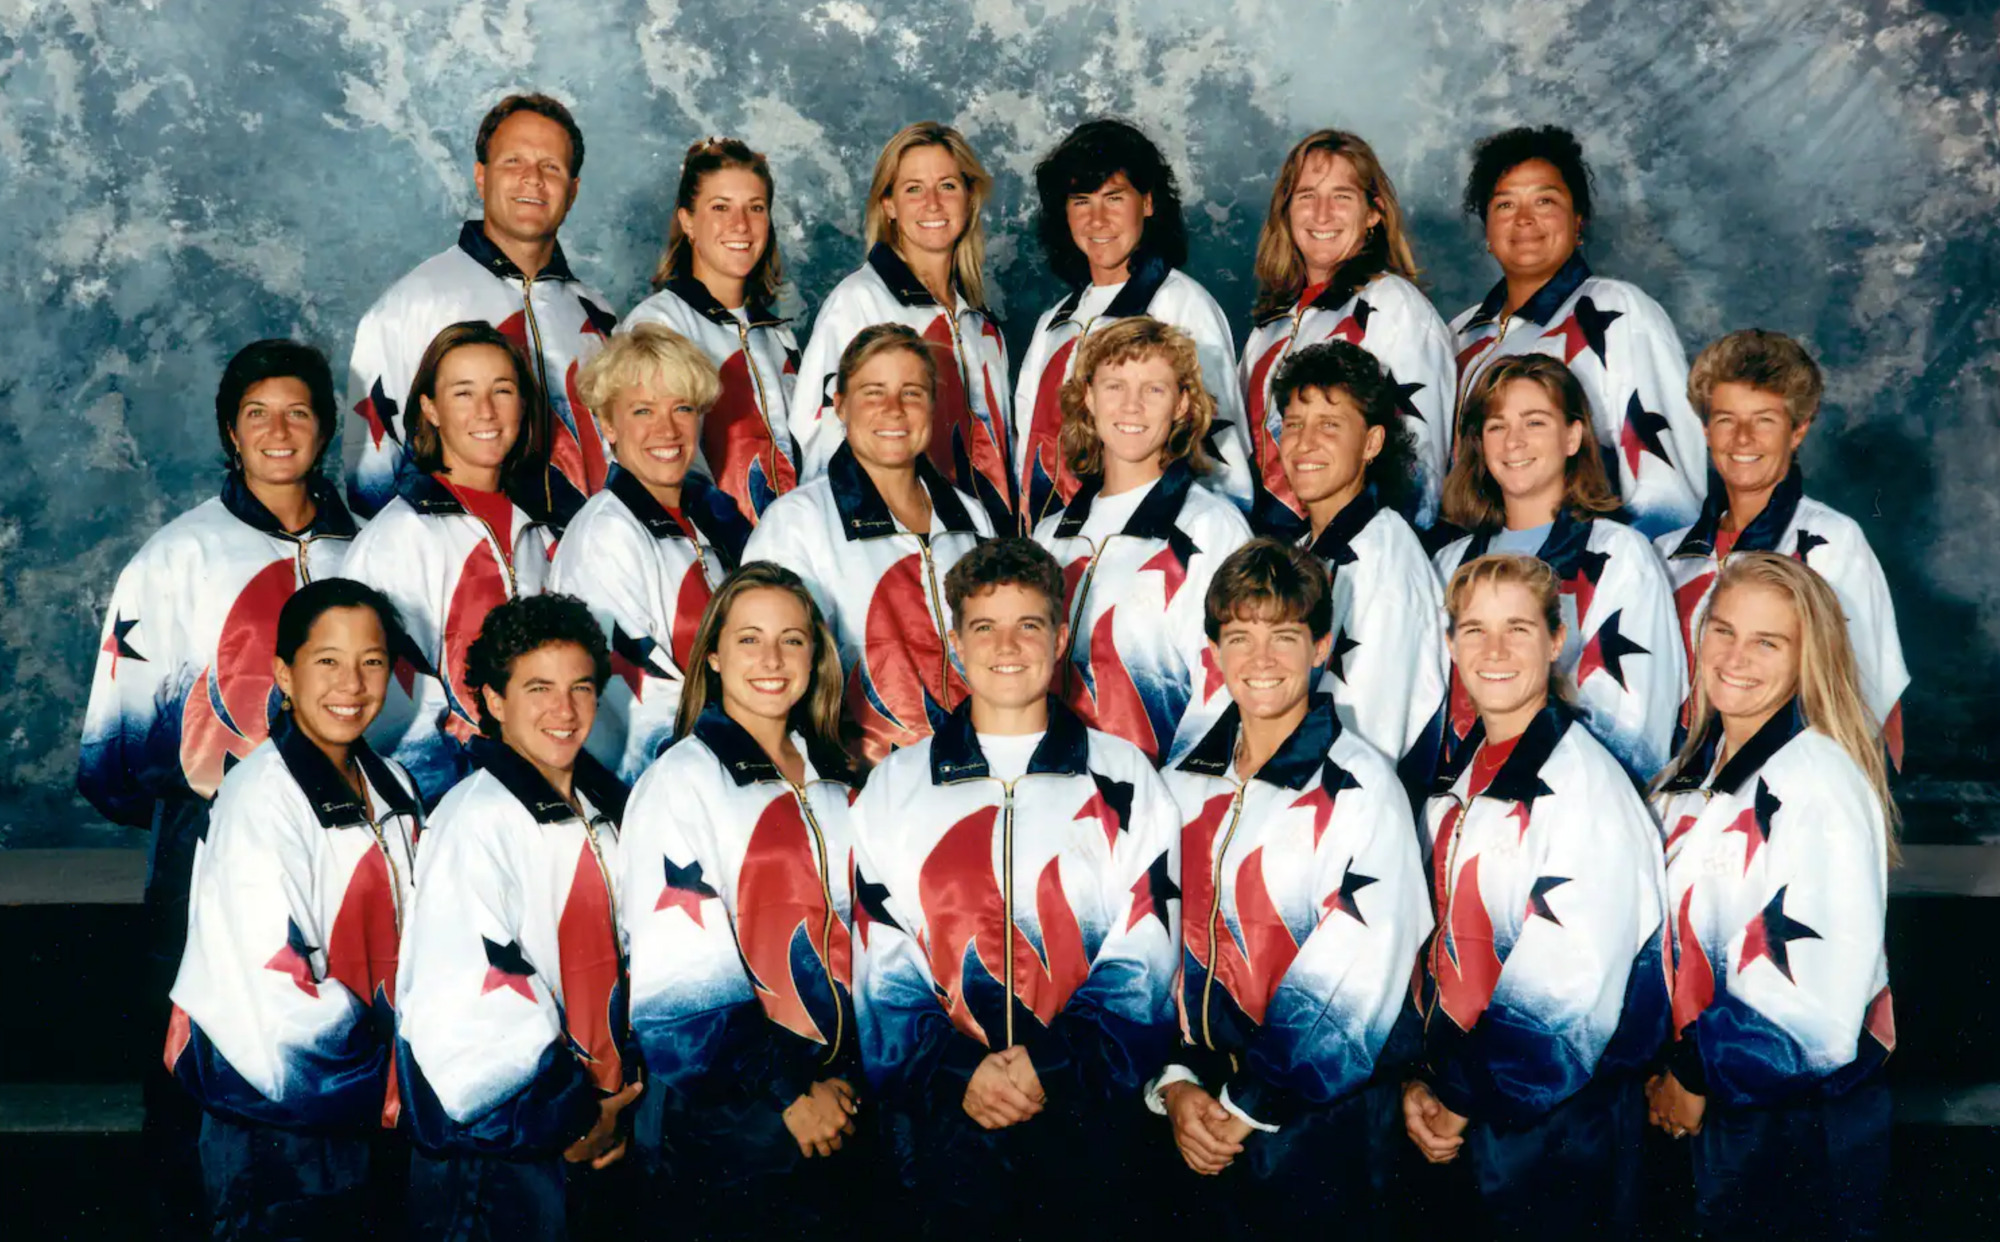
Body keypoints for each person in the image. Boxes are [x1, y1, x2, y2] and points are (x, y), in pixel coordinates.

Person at [78, 338, 359, 1239]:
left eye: (300, 412)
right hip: (213, 850)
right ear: (229, 432)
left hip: (352, 842)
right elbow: (120, 756)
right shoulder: (181, 557)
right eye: (256, 415)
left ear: (326, 428)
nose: (279, 433)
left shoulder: (370, 546)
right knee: (200, 1065)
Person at [850, 537, 1181, 1242]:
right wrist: (959, 1073)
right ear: (955, 641)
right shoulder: (896, 785)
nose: (1008, 645)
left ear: (1060, 638)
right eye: (984, 627)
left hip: (1084, 1122)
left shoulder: (1124, 776)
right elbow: (883, 967)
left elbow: (1144, 956)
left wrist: (1053, 1066)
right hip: (943, 1130)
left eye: (1029, 624)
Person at [1151, 540, 1429, 1237]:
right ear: (1214, 651)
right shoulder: (1183, 783)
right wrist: (1176, 1082)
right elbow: (1154, 941)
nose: (1261, 660)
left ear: (1321, 647)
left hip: (1315, 1120)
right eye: (1240, 637)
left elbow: (1357, 975)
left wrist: (1247, 1102)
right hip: (1201, 1109)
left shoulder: (1362, 787)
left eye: (1285, 636)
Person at [1405, 554, 1668, 1239]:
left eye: (1518, 629)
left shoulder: (1581, 786)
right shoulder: (1464, 775)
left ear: (1556, 641)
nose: (1493, 651)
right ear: (1451, 643)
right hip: (1470, 1102)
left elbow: (1566, 989)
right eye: (1474, 629)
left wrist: (1460, 1095)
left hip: (1553, 1118)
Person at [1648, 553, 1897, 1242]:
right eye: (1722, 631)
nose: (1735, 657)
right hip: (1717, 1106)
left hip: (1790, 1118)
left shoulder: (1817, 780)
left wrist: (1696, 1077)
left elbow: (1813, 1000)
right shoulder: (1688, 776)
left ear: (1806, 657)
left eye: (1767, 642)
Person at [165, 579, 419, 1240]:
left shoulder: (394, 783)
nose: (353, 683)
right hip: (283, 1126)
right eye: (327, 661)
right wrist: (407, 1086)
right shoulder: (261, 798)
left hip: (373, 1111)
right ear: (283, 672)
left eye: (371, 661)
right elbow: (273, 1002)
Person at [618, 563, 864, 1239]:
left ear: (816, 655)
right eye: (750, 639)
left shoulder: (837, 780)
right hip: (734, 1117)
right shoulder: (685, 782)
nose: (772, 659)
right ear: (716, 656)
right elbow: (680, 988)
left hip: (837, 1102)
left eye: (792, 640)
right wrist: (787, 1094)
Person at [396, 593, 641, 1242]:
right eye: (538, 688)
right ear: (495, 702)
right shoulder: (477, 820)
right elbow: (473, 1015)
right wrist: (575, 1122)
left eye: (581, 688)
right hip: (505, 1147)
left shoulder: (603, 811)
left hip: (593, 1123)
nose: (564, 711)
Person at [347, 93, 617, 518]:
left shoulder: (597, 316)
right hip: (467, 571)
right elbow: (370, 487)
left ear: (573, 190)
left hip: (591, 569)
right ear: (480, 176)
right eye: (514, 162)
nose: (533, 179)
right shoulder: (410, 307)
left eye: (551, 166)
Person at [743, 323, 993, 767]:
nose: (894, 410)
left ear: (933, 406)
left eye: (912, 393)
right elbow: (768, 676)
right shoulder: (796, 524)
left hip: (975, 777)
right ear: (839, 405)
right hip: (861, 782)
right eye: (873, 392)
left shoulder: (971, 519)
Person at [1658, 329, 1908, 766]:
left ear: (1798, 431)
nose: (1742, 439)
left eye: (1764, 420)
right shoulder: (1666, 555)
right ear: (1704, 430)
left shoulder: (1831, 542)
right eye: (1726, 419)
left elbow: (1866, 697)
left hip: (1783, 787)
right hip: (1679, 787)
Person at [342, 321, 568, 804]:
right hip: (453, 803)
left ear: (524, 404)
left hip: (544, 791)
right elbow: (393, 713)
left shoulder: (543, 533)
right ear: (430, 408)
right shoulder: (400, 538)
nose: (486, 411)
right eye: (463, 393)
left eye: (502, 390)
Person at [1434, 354, 1685, 779]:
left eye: (1535, 423)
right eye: (1497, 426)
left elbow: (1635, 723)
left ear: (1572, 437)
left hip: (1570, 796)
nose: (1513, 442)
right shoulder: (1449, 563)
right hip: (1462, 803)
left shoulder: (1619, 556)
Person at [1450, 125, 1705, 537]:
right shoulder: (1460, 334)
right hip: (1476, 574)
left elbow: (1666, 488)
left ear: (1578, 219)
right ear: (1486, 231)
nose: (1525, 220)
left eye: (1545, 200)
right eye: (1505, 205)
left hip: (1581, 571)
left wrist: (1624, 579)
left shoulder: (1616, 310)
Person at [1032, 317, 1253, 764]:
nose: (1131, 406)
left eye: (1153, 389)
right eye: (1115, 386)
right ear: (1089, 398)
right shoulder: (1051, 535)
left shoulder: (1211, 527)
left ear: (1181, 404)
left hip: (1157, 801)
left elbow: (1228, 690)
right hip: (1058, 798)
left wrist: (1173, 800)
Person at [1013, 119, 1254, 527]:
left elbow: (1222, 460)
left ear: (1147, 202)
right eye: (1081, 201)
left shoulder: (1179, 304)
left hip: (1152, 554)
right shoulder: (1055, 323)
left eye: (1114, 198)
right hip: (1058, 547)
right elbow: (1026, 455)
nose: (1097, 219)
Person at [549, 324, 750, 783]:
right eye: (643, 410)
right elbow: (641, 707)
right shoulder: (607, 533)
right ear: (608, 424)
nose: (667, 429)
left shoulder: (702, 524)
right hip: (662, 782)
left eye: (683, 408)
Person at [790, 122, 1012, 529]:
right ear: (888, 204)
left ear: (969, 197)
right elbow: (822, 442)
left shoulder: (981, 326)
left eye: (947, 185)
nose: (932, 204)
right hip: (900, 546)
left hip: (981, 544)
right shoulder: (859, 302)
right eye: (913, 188)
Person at [1239, 130, 1454, 528]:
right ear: (1286, 211)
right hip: (1271, 559)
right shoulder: (1268, 329)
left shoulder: (1395, 308)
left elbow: (1420, 475)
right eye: (1306, 196)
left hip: (1352, 558)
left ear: (1373, 212)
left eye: (1341, 196)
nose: (1322, 214)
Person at [1254, 341, 1446, 767]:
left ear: (1372, 443)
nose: (1303, 444)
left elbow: (1369, 747)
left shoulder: (1387, 563)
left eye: (1328, 425)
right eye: (1293, 424)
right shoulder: (1306, 551)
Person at [620, 138, 801, 522]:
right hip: (720, 558)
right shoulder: (661, 326)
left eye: (756, 208)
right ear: (687, 221)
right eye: (720, 207)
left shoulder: (777, 337)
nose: (741, 225)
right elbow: (665, 470)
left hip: (791, 557)